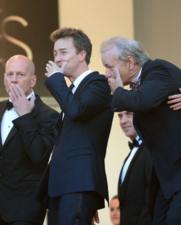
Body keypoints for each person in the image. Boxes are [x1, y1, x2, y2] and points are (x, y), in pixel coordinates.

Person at [100, 36, 181, 224]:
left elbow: (142, 101)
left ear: (131, 62)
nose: (107, 73)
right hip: (171, 178)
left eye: (109, 66)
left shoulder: (158, 69)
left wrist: (117, 90)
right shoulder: (138, 87)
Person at [0, 55, 58, 225]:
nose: (14, 80)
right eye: (10, 74)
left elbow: (38, 155)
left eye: (20, 75)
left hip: (26, 210)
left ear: (33, 80)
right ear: (4, 78)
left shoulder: (49, 116)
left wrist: (25, 116)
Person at [44, 28, 113, 225]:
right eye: (55, 53)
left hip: (80, 181)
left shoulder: (98, 84)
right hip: (61, 184)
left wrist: (56, 80)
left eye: (64, 52)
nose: (57, 59)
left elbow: (77, 111)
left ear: (82, 54)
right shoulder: (72, 92)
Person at [117, 111, 153, 225]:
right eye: (120, 116)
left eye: (129, 114)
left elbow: (152, 196)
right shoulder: (130, 155)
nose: (123, 121)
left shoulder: (152, 149)